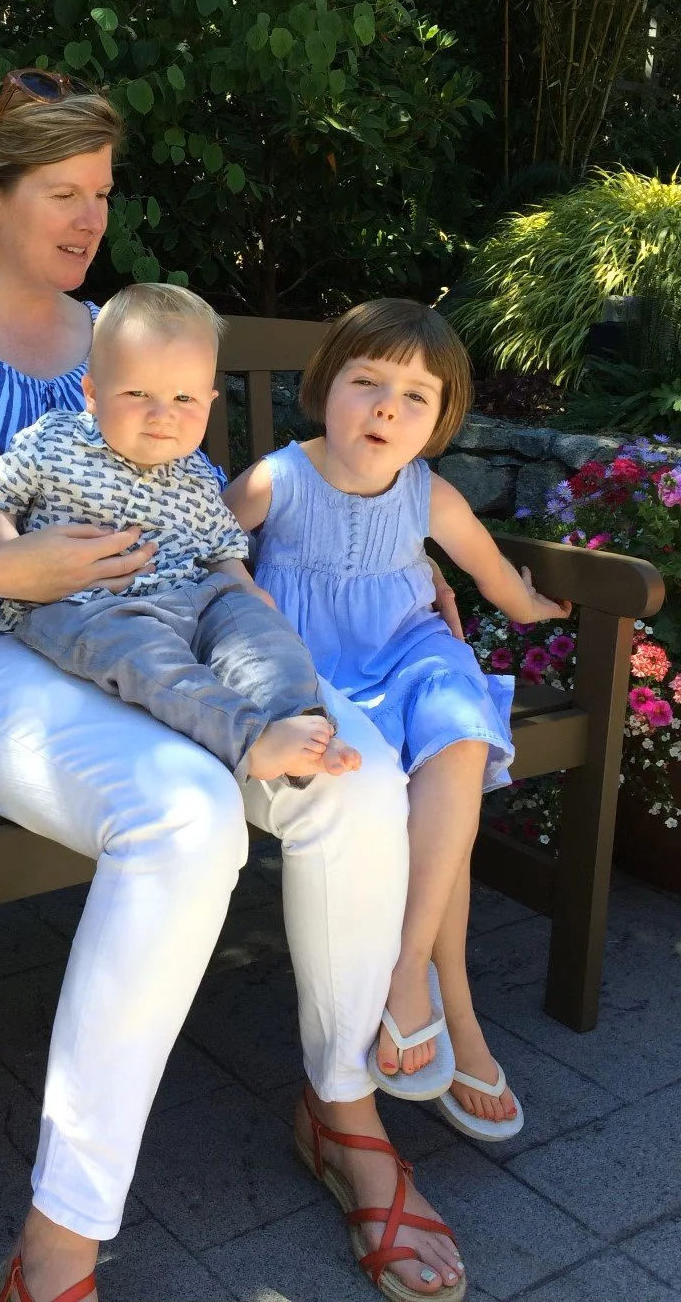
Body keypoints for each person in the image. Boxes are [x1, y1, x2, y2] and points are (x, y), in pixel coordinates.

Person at [0, 71, 466, 1302]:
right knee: (183, 812)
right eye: (62, 193)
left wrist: (387, 566)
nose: (89, 220)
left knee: (354, 773)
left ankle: (345, 1110)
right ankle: (60, 1245)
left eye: (101, 195)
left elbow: (205, 511)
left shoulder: (123, 332)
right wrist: (7, 562)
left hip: (152, 634)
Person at [226, 298, 572, 1145]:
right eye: (368, 382)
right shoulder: (281, 477)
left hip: (413, 650)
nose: (387, 407)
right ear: (325, 387)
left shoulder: (430, 493)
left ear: (441, 421)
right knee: (407, 793)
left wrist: (539, 607)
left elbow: (494, 579)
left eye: (416, 397)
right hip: (319, 672)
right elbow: (207, 545)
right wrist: (244, 591)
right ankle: (451, 1006)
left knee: (457, 737)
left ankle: (408, 970)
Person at [0, 282, 361, 785]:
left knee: (258, 628)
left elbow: (222, 551)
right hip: (87, 607)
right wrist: (11, 562)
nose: (162, 414)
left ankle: (301, 720)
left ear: (209, 401)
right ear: (92, 393)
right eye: (137, 393)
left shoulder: (196, 472)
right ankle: (249, 740)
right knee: (151, 661)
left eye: (183, 397)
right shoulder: (56, 440)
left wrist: (244, 587)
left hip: (190, 597)